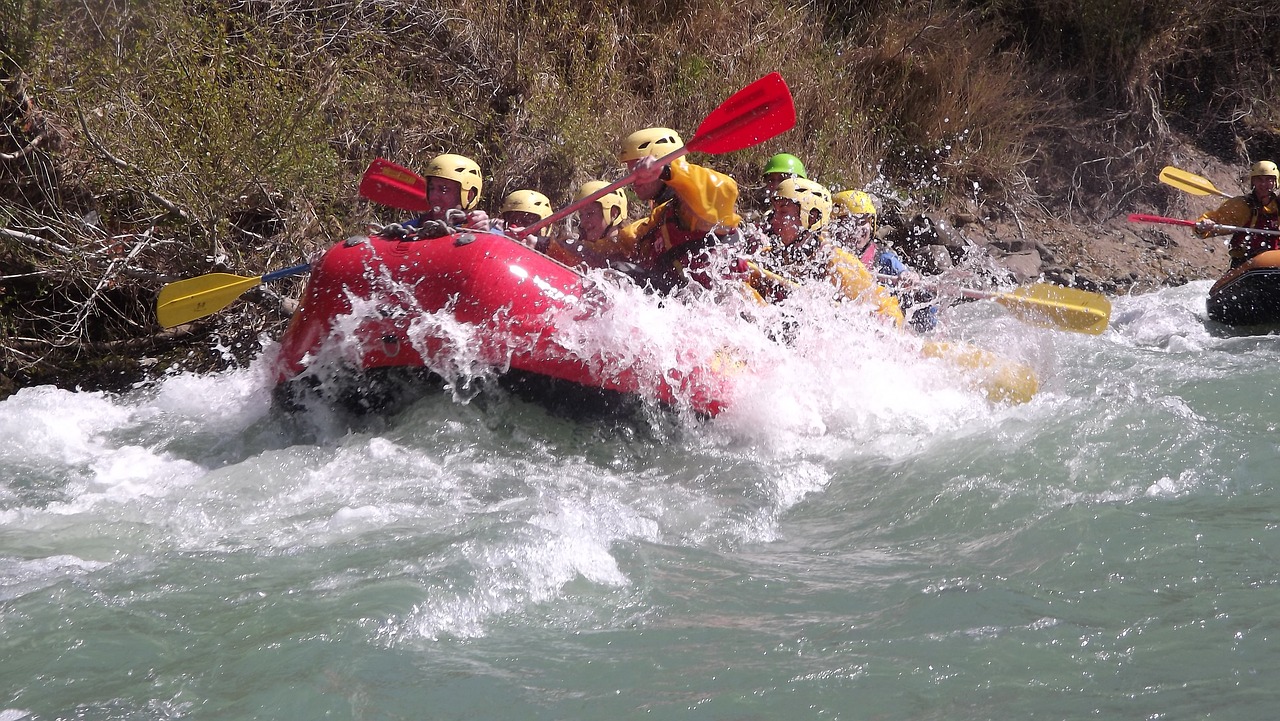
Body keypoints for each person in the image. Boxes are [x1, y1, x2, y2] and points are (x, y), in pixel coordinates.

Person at [747, 177, 903, 326]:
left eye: (783, 212)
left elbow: (888, 309)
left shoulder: (839, 265)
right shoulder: (770, 256)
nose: (774, 220)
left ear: (812, 218)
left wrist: (884, 320)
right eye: (775, 212)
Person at [616, 127, 744, 293]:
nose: (634, 181)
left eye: (638, 172)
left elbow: (724, 190)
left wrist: (667, 170)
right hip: (689, 305)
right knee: (620, 270)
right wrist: (579, 249)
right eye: (631, 173)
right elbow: (624, 244)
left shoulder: (695, 212)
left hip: (730, 307)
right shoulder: (661, 217)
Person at [830, 189, 938, 331]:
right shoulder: (827, 257)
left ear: (872, 223)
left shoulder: (884, 260)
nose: (859, 228)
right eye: (850, 221)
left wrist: (909, 278)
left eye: (864, 221)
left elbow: (903, 272)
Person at [1194, 160, 1280, 268]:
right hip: (1245, 262)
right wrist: (1205, 225)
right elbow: (1217, 220)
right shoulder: (1241, 205)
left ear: (1276, 181)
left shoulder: (1277, 206)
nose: (1264, 184)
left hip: (1274, 262)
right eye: (1259, 179)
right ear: (1253, 182)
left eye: (1269, 180)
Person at [543, 180, 632, 269]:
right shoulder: (580, 248)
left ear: (613, 214)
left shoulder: (627, 250)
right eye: (581, 215)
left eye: (590, 214)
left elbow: (601, 250)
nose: (583, 222)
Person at [397, 153, 490, 235]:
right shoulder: (409, 228)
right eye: (431, 188)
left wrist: (482, 234)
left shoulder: (482, 230)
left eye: (443, 189)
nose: (433, 196)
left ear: (468, 196)